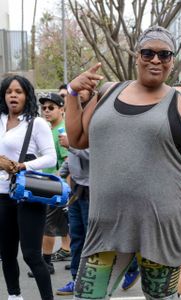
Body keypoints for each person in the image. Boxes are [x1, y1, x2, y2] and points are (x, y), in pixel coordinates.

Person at [65, 25, 181, 300]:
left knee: (160, 298)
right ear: (137, 56)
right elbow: (78, 138)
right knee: (87, 296)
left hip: (160, 228)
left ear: (172, 61)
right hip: (106, 225)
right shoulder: (108, 91)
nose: (155, 60)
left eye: (164, 54)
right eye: (148, 52)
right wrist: (72, 93)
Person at [0, 75, 57, 300]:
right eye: (9, 91)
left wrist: (22, 165)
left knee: (32, 255)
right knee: (6, 253)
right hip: (2, 195)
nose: (13, 95)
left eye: (19, 91)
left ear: (27, 96)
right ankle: (15, 296)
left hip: (28, 194)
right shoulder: (0, 120)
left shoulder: (37, 123)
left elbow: (51, 158)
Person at [27, 92, 70, 278]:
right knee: (62, 225)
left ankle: (46, 263)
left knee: (47, 226)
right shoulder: (49, 128)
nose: (46, 111)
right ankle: (69, 252)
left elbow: (68, 162)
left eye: (51, 107)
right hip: (47, 185)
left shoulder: (61, 131)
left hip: (54, 186)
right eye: (43, 108)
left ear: (62, 109)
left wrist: (66, 192)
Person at [56, 89, 92, 296]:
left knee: (91, 239)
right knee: (77, 237)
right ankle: (76, 280)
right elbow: (74, 157)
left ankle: (91, 282)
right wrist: (62, 173)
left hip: (93, 190)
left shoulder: (96, 119)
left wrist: (71, 146)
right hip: (76, 190)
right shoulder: (73, 120)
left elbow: (98, 153)